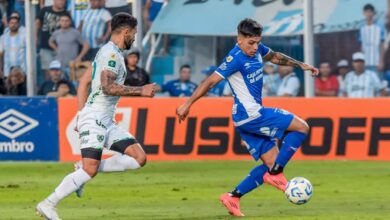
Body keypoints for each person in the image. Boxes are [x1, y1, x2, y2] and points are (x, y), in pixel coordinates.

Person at [176, 18, 318, 217]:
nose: (255, 47)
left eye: (257, 42)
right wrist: (188, 103)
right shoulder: (234, 59)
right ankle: (276, 174)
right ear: (239, 39)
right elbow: (210, 82)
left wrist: (300, 64)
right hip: (251, 114)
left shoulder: (257, 49)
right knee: (302, 127)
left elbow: (276, 57)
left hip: (246, 118)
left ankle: (232, 196)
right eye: (251, 43)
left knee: (271, 162)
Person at [36, 13, 157, 220]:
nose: (134, 38)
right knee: (90, 169)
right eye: (134, 33)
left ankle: (82, 168)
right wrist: (140, 90)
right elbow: (108, 87)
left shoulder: (107, 53)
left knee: (139, 158)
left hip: (104, 119)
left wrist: (80, 114)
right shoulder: (111, 55)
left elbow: (84, 83)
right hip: (95, 118)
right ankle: (48, 204)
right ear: (125, 32)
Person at [36, 0, 70, 79]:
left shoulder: (66, 13)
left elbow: (70, 29)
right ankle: (48, 87)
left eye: (64, 1)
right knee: (47, 70)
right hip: (45, 45)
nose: (62, 2)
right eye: (60, 1)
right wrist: (36, 36)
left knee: (60, 71)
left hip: (61, 48)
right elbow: (37, 22)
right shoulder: (45, 10)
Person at [49, 14, 89, 78]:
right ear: (59, 22)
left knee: (73, 83)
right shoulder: (56, 33)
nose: (64, 22)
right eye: (62, 21)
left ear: (70, 22)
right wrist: (56, 49)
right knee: (61, 83)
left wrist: (80, 57)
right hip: (59, 63)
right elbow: (50, 41)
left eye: (67, 21)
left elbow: (86, 45)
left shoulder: (75, 32)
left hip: (72, 64)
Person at [359, 4, 385, 73]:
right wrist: (362, 62)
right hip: (366, 63)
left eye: (370, 12)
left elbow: (382, 45)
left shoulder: (379, 26)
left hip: (376, 63)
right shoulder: (361, 27)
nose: (368, 14)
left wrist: (381, 61)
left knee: (377, 83)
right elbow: (361, 46)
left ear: (373, 13)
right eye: (366, 12)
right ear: (363, 13)